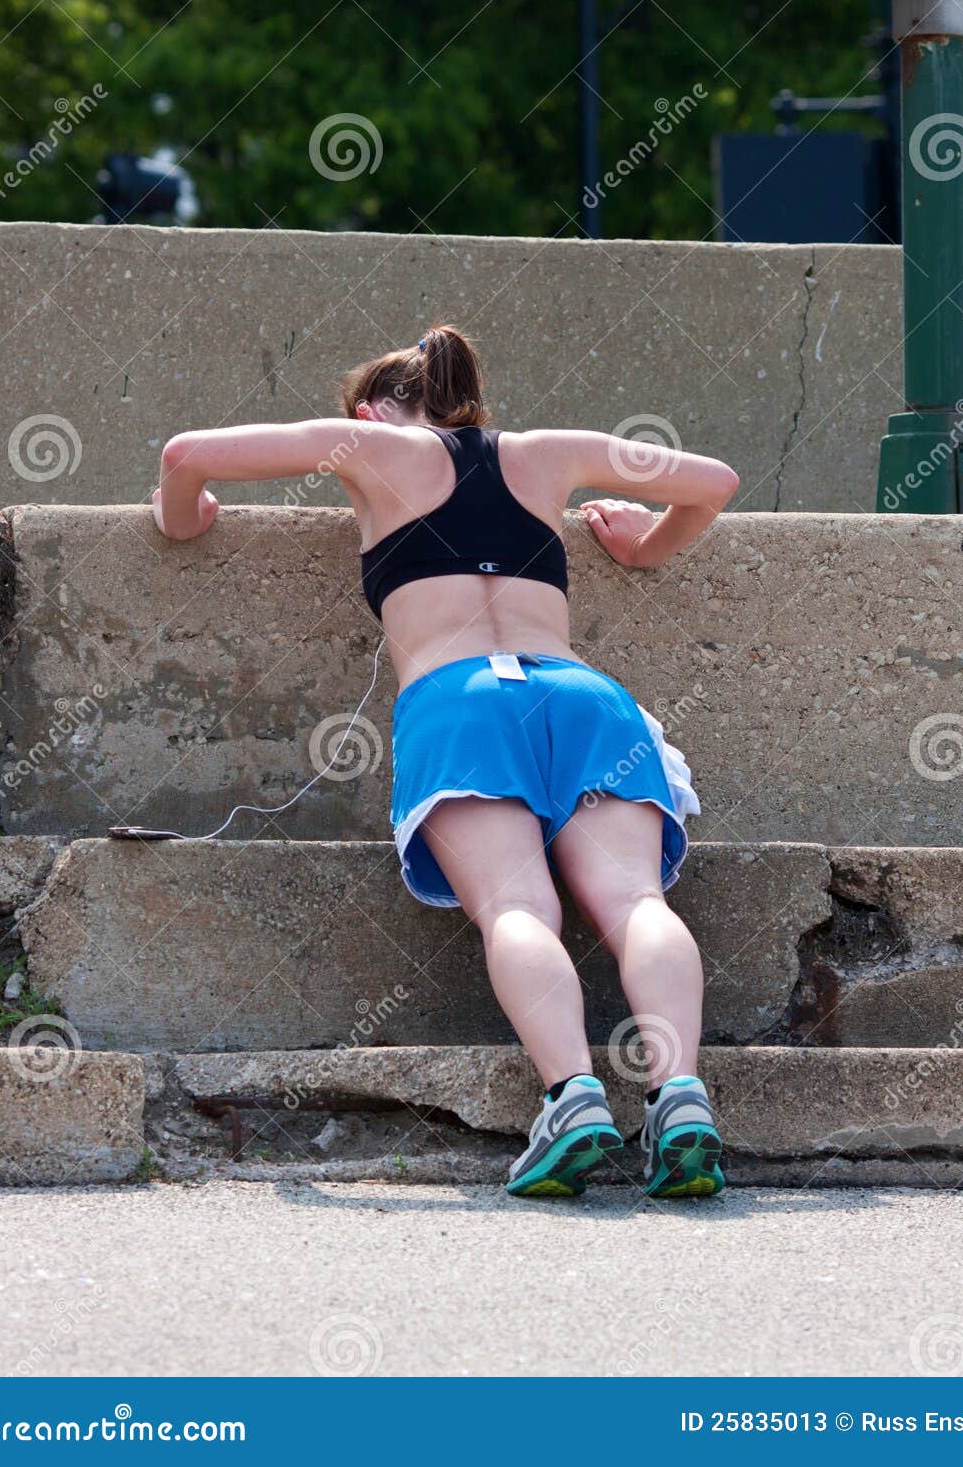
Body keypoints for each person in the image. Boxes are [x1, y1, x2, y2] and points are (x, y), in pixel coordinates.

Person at [153, 324, 739, 1199]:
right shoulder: (549, 453)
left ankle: (573, 1096)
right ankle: (679, 1094)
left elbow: (186, 453)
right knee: (631, 900)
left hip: (461, 702)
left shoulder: (365, 444)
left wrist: (184, 516)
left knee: (515, 907)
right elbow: (715, 483)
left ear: (371, 409)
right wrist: (643, 544)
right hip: (582, 697)